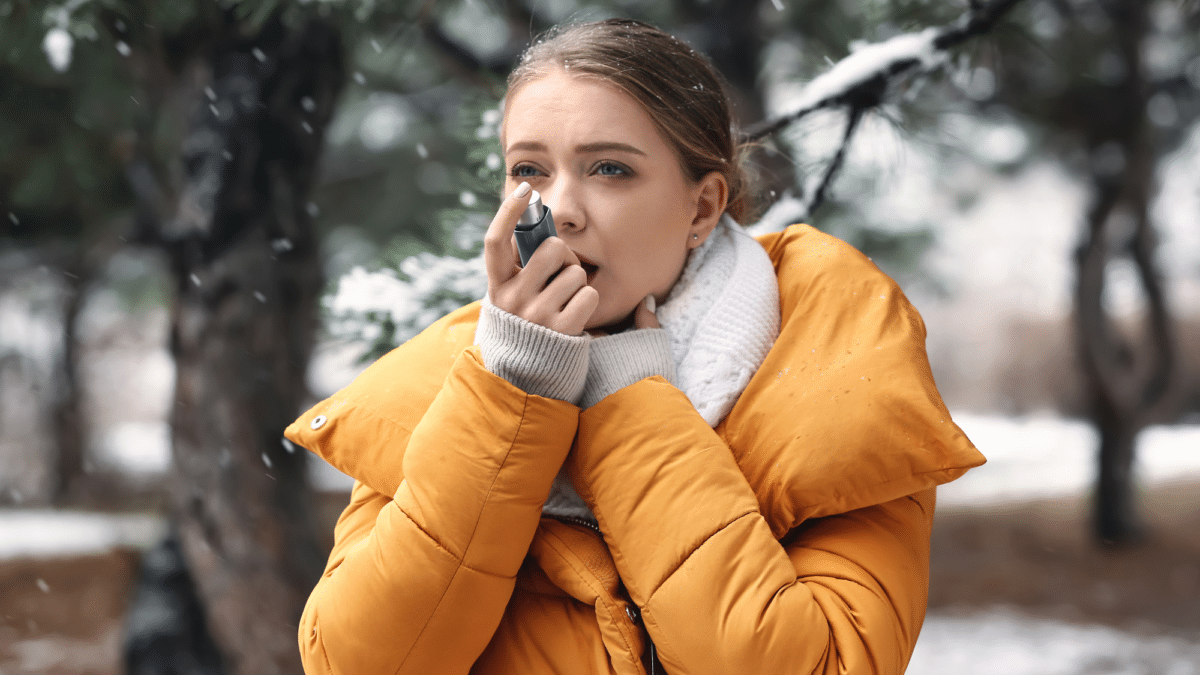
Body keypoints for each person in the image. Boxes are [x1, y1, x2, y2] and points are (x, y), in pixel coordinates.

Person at [285, 18, 984, 675]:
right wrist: (512, 389)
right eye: (528, 170)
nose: (559, 207)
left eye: (609, 169)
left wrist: (631, 400)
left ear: (702, 207)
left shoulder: (839, 375)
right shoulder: (442, 385)